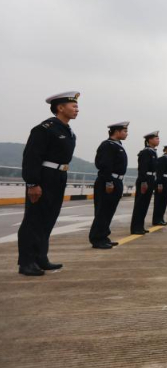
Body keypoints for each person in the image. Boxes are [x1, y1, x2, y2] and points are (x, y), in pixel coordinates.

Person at [17, 91, 80, 276]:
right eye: (73, 105)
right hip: (44, 177)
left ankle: (41, 258)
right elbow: (31, 157)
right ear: (60, 108)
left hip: (59, 177)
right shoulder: (45, 128)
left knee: (48, 219)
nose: (77, 109)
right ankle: (26, 262)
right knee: (33, 220)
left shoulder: (67, 130)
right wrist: (32, 183)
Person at [88, 121, 128, 249]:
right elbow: (105, 165)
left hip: (117, 181)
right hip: (108, 181)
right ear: (117, 132)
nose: (127, 134)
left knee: (109, 211)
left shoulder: (117, 145)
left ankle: (104, 236)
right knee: (102, 211)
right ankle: (97, 239)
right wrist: (109, 182)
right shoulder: (108, 145)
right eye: (125, 131)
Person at [130, 131, 159, 235]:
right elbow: (142, 168)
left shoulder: (152, 152)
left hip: (151, 179)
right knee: (140, 205)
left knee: (145, 205)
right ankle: (135, 228)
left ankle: (140, 226)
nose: (158, 140)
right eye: (156, 138)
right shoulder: (146, 152)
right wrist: (143, 182)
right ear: (149, 140)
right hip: (145, 179)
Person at [152, 143, 167, 226]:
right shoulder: (163, 159)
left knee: (164, 201)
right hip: (163, 181)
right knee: (159, 201)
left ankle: (160, 218)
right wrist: (159, 184)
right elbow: (159, 172)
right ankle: (156, 219)